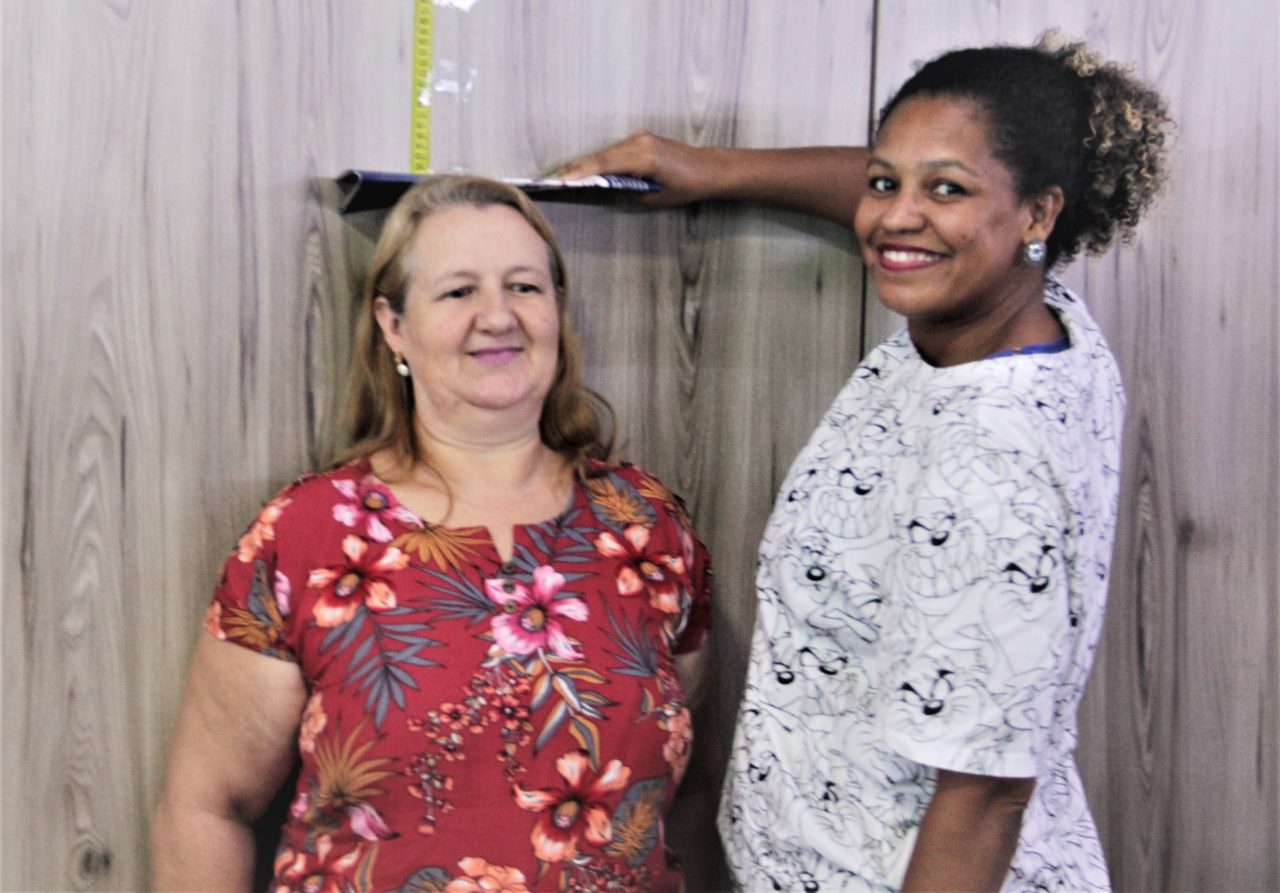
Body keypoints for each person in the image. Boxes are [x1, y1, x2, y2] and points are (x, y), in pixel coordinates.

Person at [558, 33, 1170, 892]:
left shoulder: (991, 457)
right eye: (885, 182)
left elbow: (985, 795)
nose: (894, 217)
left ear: (1038, 215)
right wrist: (713, 170)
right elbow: (921, 195)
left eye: (945, 189)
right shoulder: (1019, 317)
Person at [151, 175, 712, 893]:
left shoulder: (648, 527)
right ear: (393, 325)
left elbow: (688, 794)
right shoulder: (308, 535)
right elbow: (205, 809)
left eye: (524, 287)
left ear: (558, 309)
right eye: (458, 292)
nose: (497, 316)